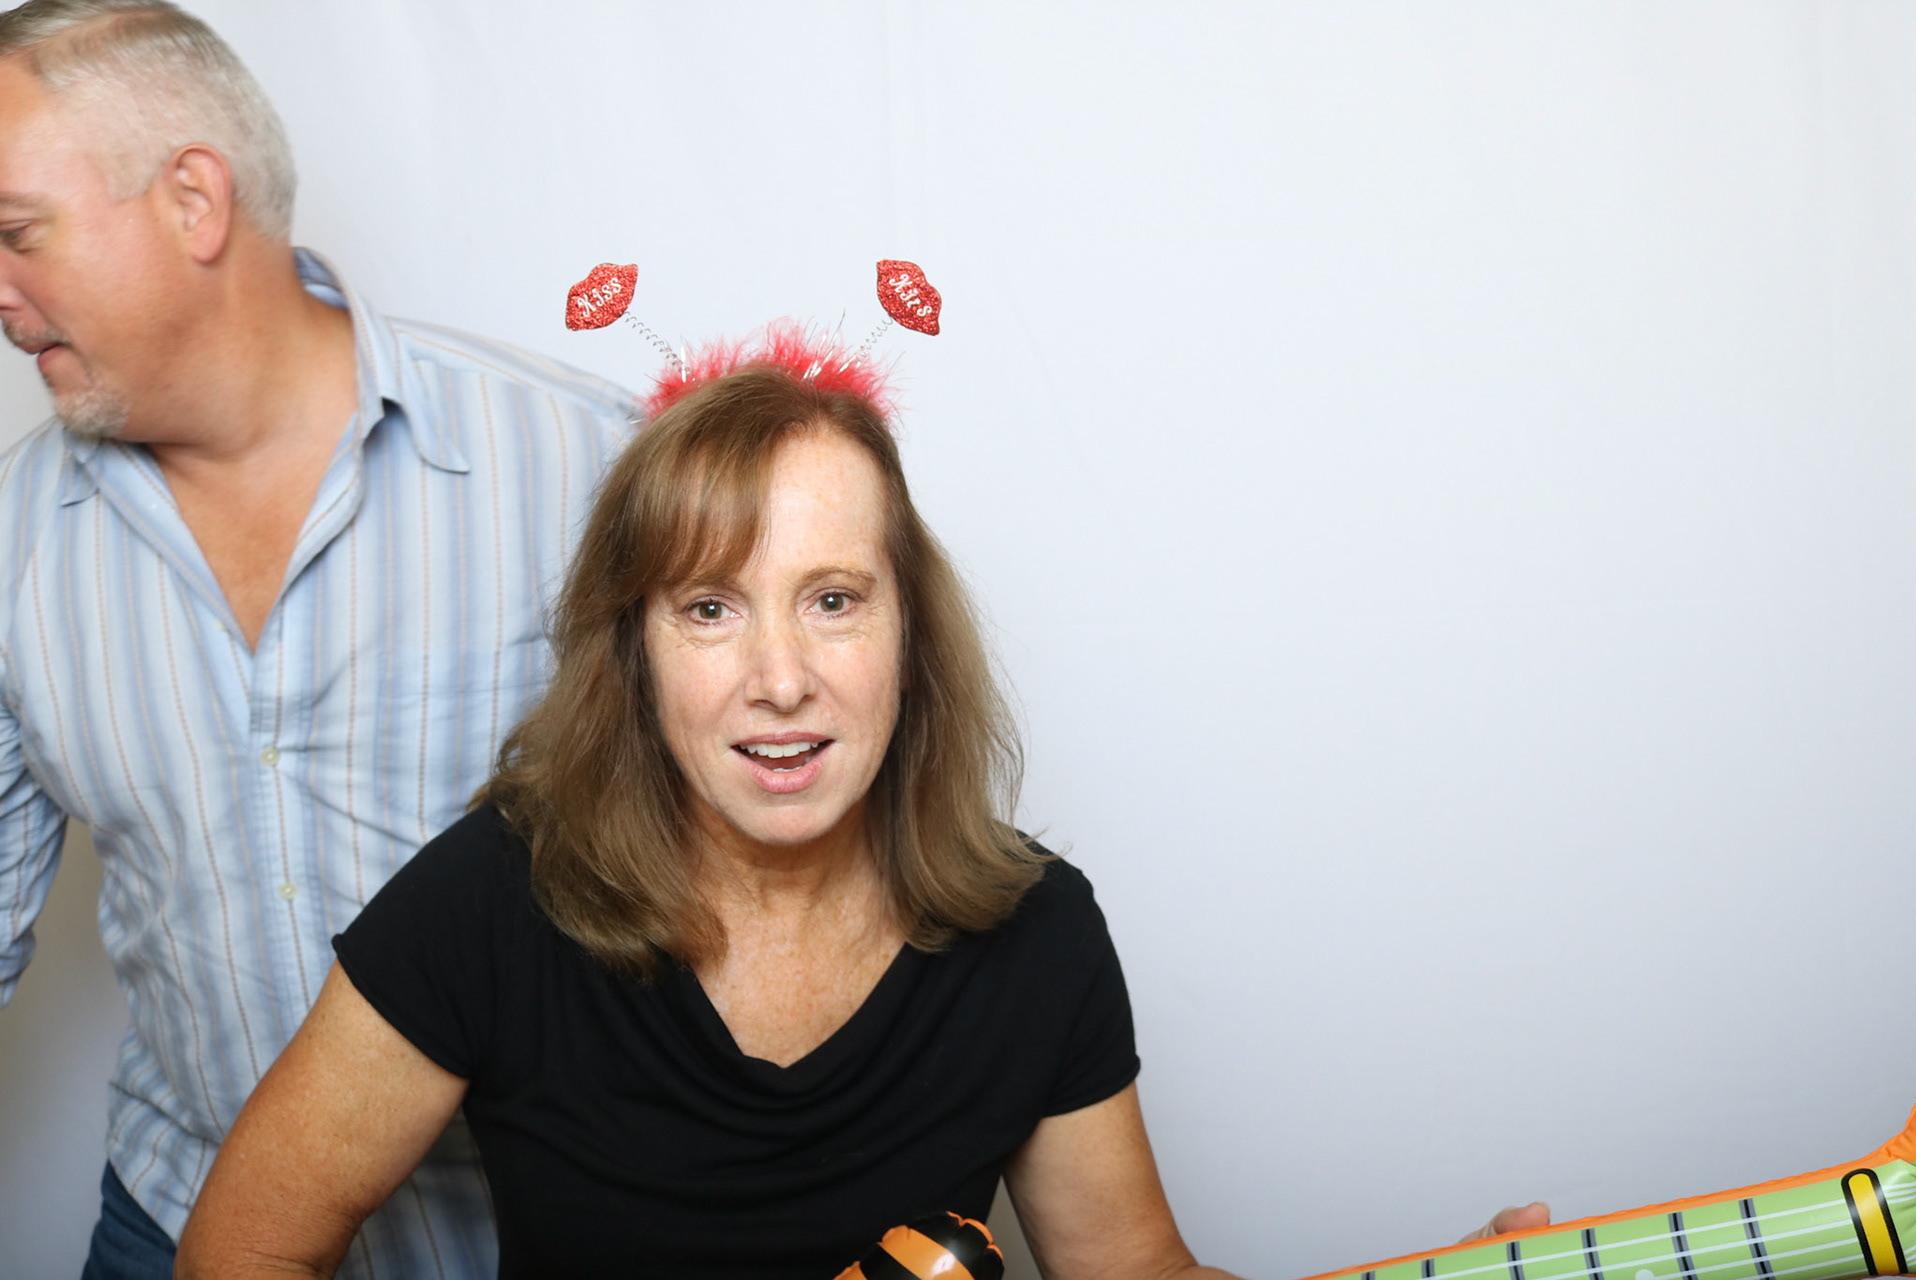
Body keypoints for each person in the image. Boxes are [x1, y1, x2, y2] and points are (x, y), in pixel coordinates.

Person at [175, 331, 1549, 1277]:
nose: (781, 677)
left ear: (908, 633)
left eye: (833, 600)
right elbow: (242, 1252)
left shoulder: (1037, 933)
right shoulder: (493, 900)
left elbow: (1135, 1274)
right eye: (710, 608)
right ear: (634, 653)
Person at [0, 2, 634, 1276]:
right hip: (181, 1217)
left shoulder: (585, 462)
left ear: (193, 200)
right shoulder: (11, 539)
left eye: (17, 233)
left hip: (541, 1232)